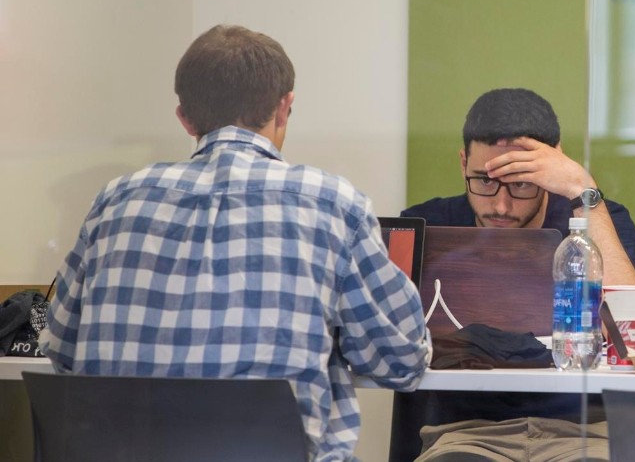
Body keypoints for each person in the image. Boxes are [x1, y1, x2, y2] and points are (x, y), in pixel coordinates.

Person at [39, 25, 430, 462]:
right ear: (285, 108)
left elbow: (60, 347)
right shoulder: (333, 204)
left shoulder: (113, 201)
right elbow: (401, 360)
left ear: (184, 118)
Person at [401, 87, 635, 284]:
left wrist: (582, 188)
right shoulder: (423, 225)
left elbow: (628, 324)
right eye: (485, 181)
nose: (501, 207)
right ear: (464, 163)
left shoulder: (600, 219)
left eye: (521, 183)